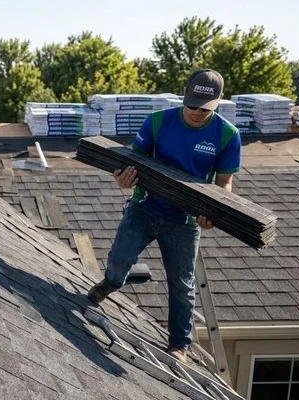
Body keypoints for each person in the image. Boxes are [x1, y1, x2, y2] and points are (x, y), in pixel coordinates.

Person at [87, 69, 242, 363]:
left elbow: (224, 184)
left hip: (184, 222)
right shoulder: (158, 122)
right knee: (119, 261)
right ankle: (110, 283)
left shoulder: (226, 136)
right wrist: (123, 179)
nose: (196, 112)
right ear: (185, 96)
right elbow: (131, 162)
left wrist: (216, 212)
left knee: (182, 286)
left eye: (205, 108)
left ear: (219, 102)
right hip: (145, 207)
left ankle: (179, 345)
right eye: (192, 104)